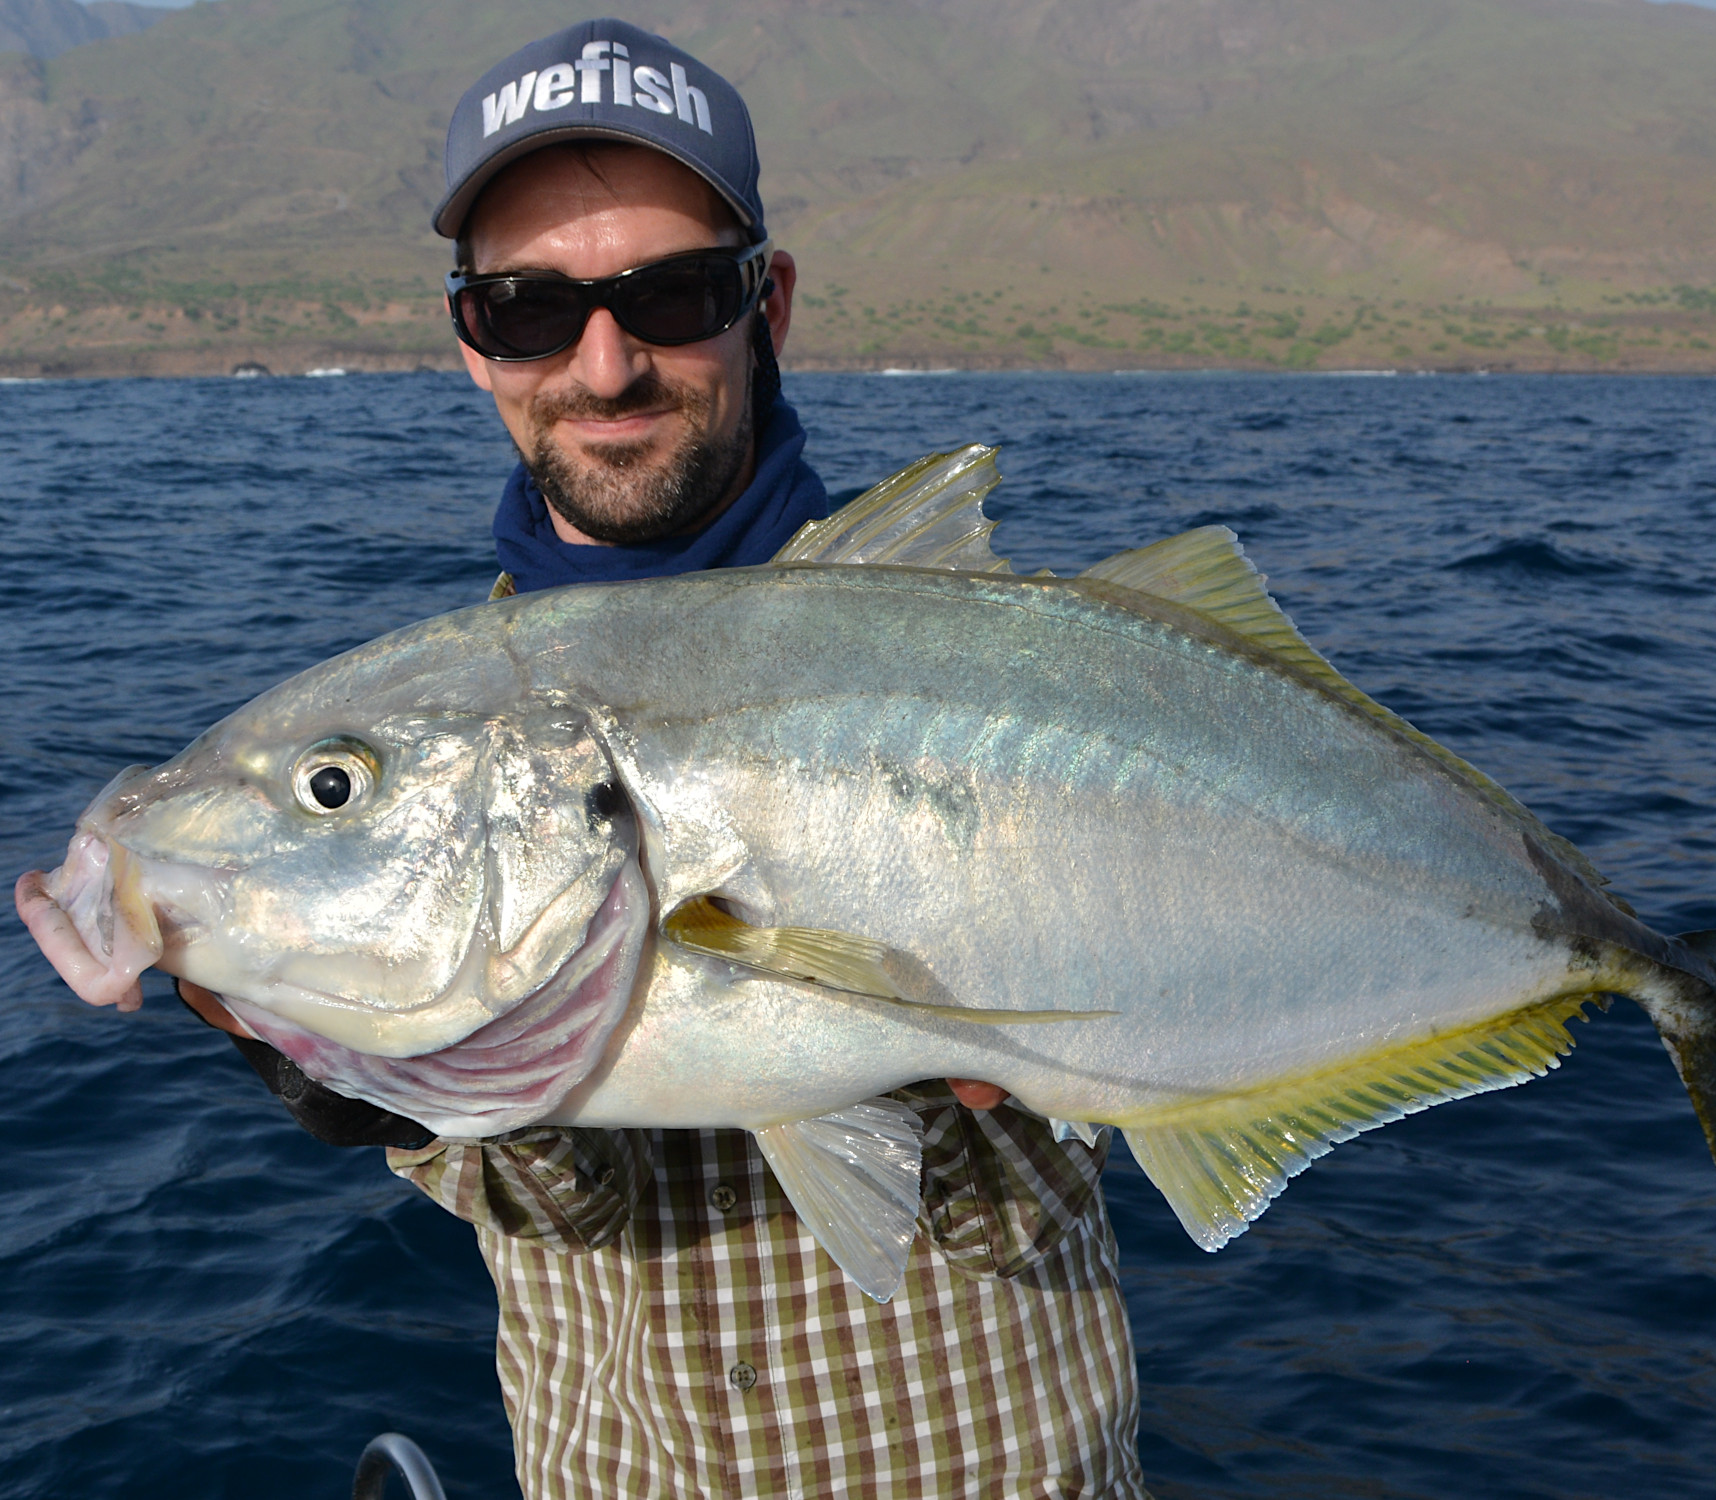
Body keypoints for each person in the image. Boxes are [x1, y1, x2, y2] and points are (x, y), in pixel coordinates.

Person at [180, 18, 1147, 1499]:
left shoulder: (991, 664)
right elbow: (533, 1196)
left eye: (675, 294)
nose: (607, 363)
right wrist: (369, 1070)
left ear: (770, 304)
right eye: (528, 308)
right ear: (468, 341)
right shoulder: (436, 732)